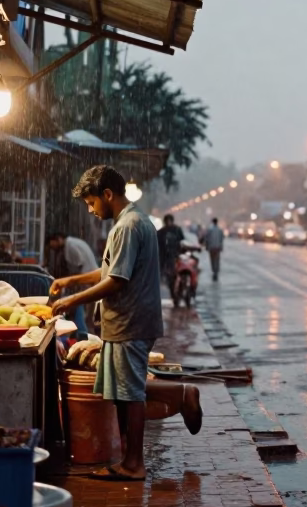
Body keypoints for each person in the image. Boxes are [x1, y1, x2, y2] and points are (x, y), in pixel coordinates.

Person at [50, 165, 202, 481]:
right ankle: (176, 400)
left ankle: (134, 464)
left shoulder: (128, 227)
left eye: (92, 203)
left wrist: (71, 301)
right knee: (121, 389)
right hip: (125, 321)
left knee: (130, 393)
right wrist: (70, 281)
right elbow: (109, 271)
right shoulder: (129, 222)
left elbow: (117, 280)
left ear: (108, 194)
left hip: (130, 321)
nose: (91, 210)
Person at [47, 231, 99, 338]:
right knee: (82, 309)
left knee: (79, 306)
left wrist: (71, 281)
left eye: (53, 244)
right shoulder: (70, 244)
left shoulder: (70, 245)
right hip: (88, 277)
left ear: (58, 239)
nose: (54, 247)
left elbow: (78, 265)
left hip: (88, 277)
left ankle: (82, 334)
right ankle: (82, 332)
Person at [156, 214, 185, 295]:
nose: (169, 222)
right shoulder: (161, 232)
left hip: (175, 255)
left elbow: (182, 241)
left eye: (170, 221)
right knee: (168, 275)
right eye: (167, 221)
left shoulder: (177, 230)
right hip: (164, 256)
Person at [203, 217, 224, 281]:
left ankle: (214, 271)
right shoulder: (220, 230)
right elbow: (221, 239)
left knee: (212, 260)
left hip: (211, 247)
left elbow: (207, 238)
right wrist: (221, 246)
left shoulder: (210, 229)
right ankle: (216, 271)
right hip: (217, 248)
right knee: (216, 260)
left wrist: (206, 246)